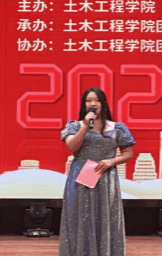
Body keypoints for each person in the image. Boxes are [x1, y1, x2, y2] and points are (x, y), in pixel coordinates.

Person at [59, 87, 136, 256]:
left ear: (103, 103)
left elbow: (128, 152)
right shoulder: (75, 126)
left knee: (105, 218)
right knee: (80, 218)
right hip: (80, 178)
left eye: (97, 100)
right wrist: (85, 126)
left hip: (106, 178)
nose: (93, 104)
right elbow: (72, 147)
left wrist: (111, 161)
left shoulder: (116, 127)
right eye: (88, 100)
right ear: (84, 105)